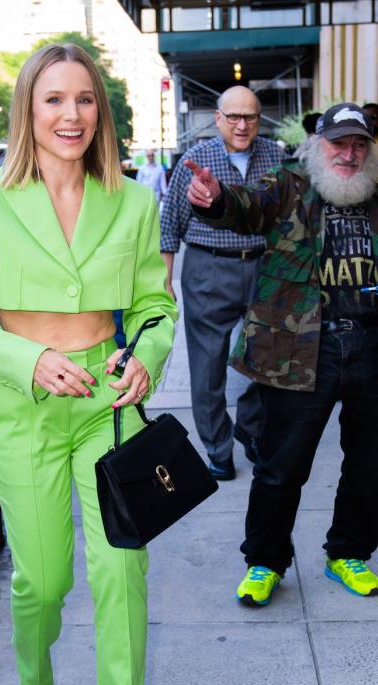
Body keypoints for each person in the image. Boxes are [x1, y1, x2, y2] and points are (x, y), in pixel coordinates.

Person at [0, 44, 177, 685]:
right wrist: (28, 359)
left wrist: (147, 359)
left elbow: (152, 309)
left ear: (100, 111)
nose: (70, 115)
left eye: (84, 100)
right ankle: (34, 673)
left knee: (121, 574)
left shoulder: (134, 201)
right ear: (28, 112)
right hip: (26, 411)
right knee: (44, 580)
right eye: (53, 100)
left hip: (111, 409)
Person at [186, 101, 378, 606]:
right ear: (320, 145)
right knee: (281, 467)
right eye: (340, 143)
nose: (350, 154)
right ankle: (265, 561)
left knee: (369, 464)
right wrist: (214, 199)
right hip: (301, 350)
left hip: (371, 347)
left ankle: (348, 553)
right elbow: (246, 206)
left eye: (359, 144)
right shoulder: (289, 185)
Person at [160, 86, 285, 480]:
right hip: (208, 268)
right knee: (208, 365)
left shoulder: (275, 156)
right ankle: (218, 449)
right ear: (218, 119)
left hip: (263, 267)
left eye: (250, 116)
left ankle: (249, 429)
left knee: (267, 359)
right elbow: (170, 225)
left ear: (259, 118)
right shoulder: (196, 160)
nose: (242, 124)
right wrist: (165, 280)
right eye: (233, 117)